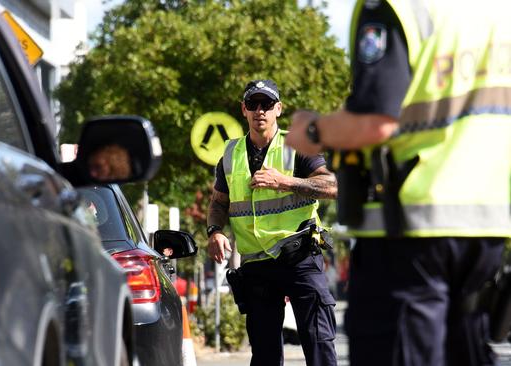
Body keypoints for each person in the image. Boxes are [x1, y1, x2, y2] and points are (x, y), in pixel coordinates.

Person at [285, 2, 511, 365]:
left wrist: (312, 130)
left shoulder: (399, 7)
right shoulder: (495, 12)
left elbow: (375, 121)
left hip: (410, 233)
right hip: (487, 227)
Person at [207, 79, 338, 366]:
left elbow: (332, 186)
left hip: (300, 257)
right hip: (257, 265)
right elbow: (218, 202)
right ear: (244, 110)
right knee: (264, 353)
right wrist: (215, 231)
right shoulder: (230, 156)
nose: (260, 111)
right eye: (253, 104)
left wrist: (285, 182)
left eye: (266, 104)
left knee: (319, 344)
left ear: (278, 109)